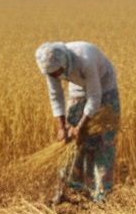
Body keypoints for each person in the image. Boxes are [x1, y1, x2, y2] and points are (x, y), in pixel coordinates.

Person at [35, 41, 120, 204]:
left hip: (104, 85)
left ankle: (102, 196)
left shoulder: (85, 59)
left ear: (63, 61)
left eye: (57, 72)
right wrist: (62, 127)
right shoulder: (51, 69)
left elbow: (95, 96)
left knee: (103, 141)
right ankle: (72, 192)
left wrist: (81, 127)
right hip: (77, 87)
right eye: (52, 74)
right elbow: (56, 96)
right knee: (71, 143)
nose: (56, 76)